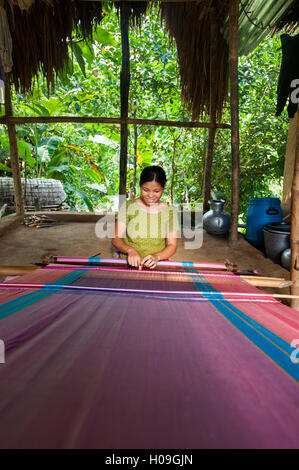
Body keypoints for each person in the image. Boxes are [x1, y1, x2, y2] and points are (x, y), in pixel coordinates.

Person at [112, 165, 178, 269]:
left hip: (156, 261)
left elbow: (172, 245)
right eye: (146, 190)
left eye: (156, 191)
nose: (150, 195)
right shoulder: (128, 206)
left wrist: (157, 256)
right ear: (140, 185)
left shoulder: (170, 212)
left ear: (164, 186)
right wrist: (131, 251)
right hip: (129, 259)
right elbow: (116, 239)